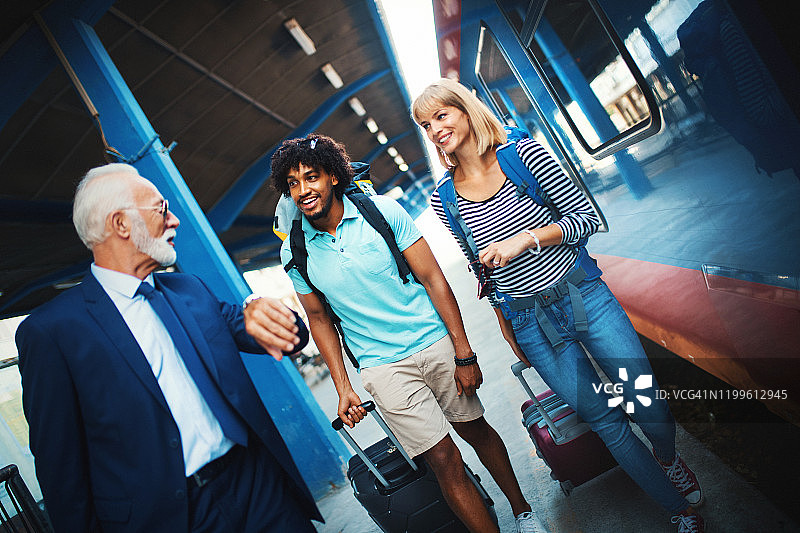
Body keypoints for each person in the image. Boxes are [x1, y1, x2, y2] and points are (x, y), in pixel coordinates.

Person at [412, 78, 705, 533]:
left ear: (466, 111)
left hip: (583, 295)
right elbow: (481, 271)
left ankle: (667, 458)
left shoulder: (522, 154)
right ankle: (679, 512)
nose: (434, 130)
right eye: (426, 125)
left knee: (645, 401)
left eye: (441, 116)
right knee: (605, 421)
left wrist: (526, 240)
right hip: (530, 322)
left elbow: (586, 218)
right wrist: (508, 328)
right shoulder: (443, 198)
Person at [15, 163, 322, 533]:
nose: (174, 220)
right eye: (161, 209)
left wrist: (266, 311)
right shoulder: (51, 332)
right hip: (169, 519)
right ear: (121, 224)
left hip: (257, 487)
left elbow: (291, 338)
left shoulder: (188, 290)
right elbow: (61, 469)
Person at [265, 134, 544, 533]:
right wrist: (344, 387)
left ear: (331, 176)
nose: (304, 190)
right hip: (382, 366)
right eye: (293, 183)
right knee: (443, 459)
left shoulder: (381, 211)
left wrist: (463, 352)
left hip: (433, 342)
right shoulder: (295, 250)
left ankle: (523, 512)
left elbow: (433, 278)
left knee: (475, 430)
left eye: (311, 177)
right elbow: (319, 319)